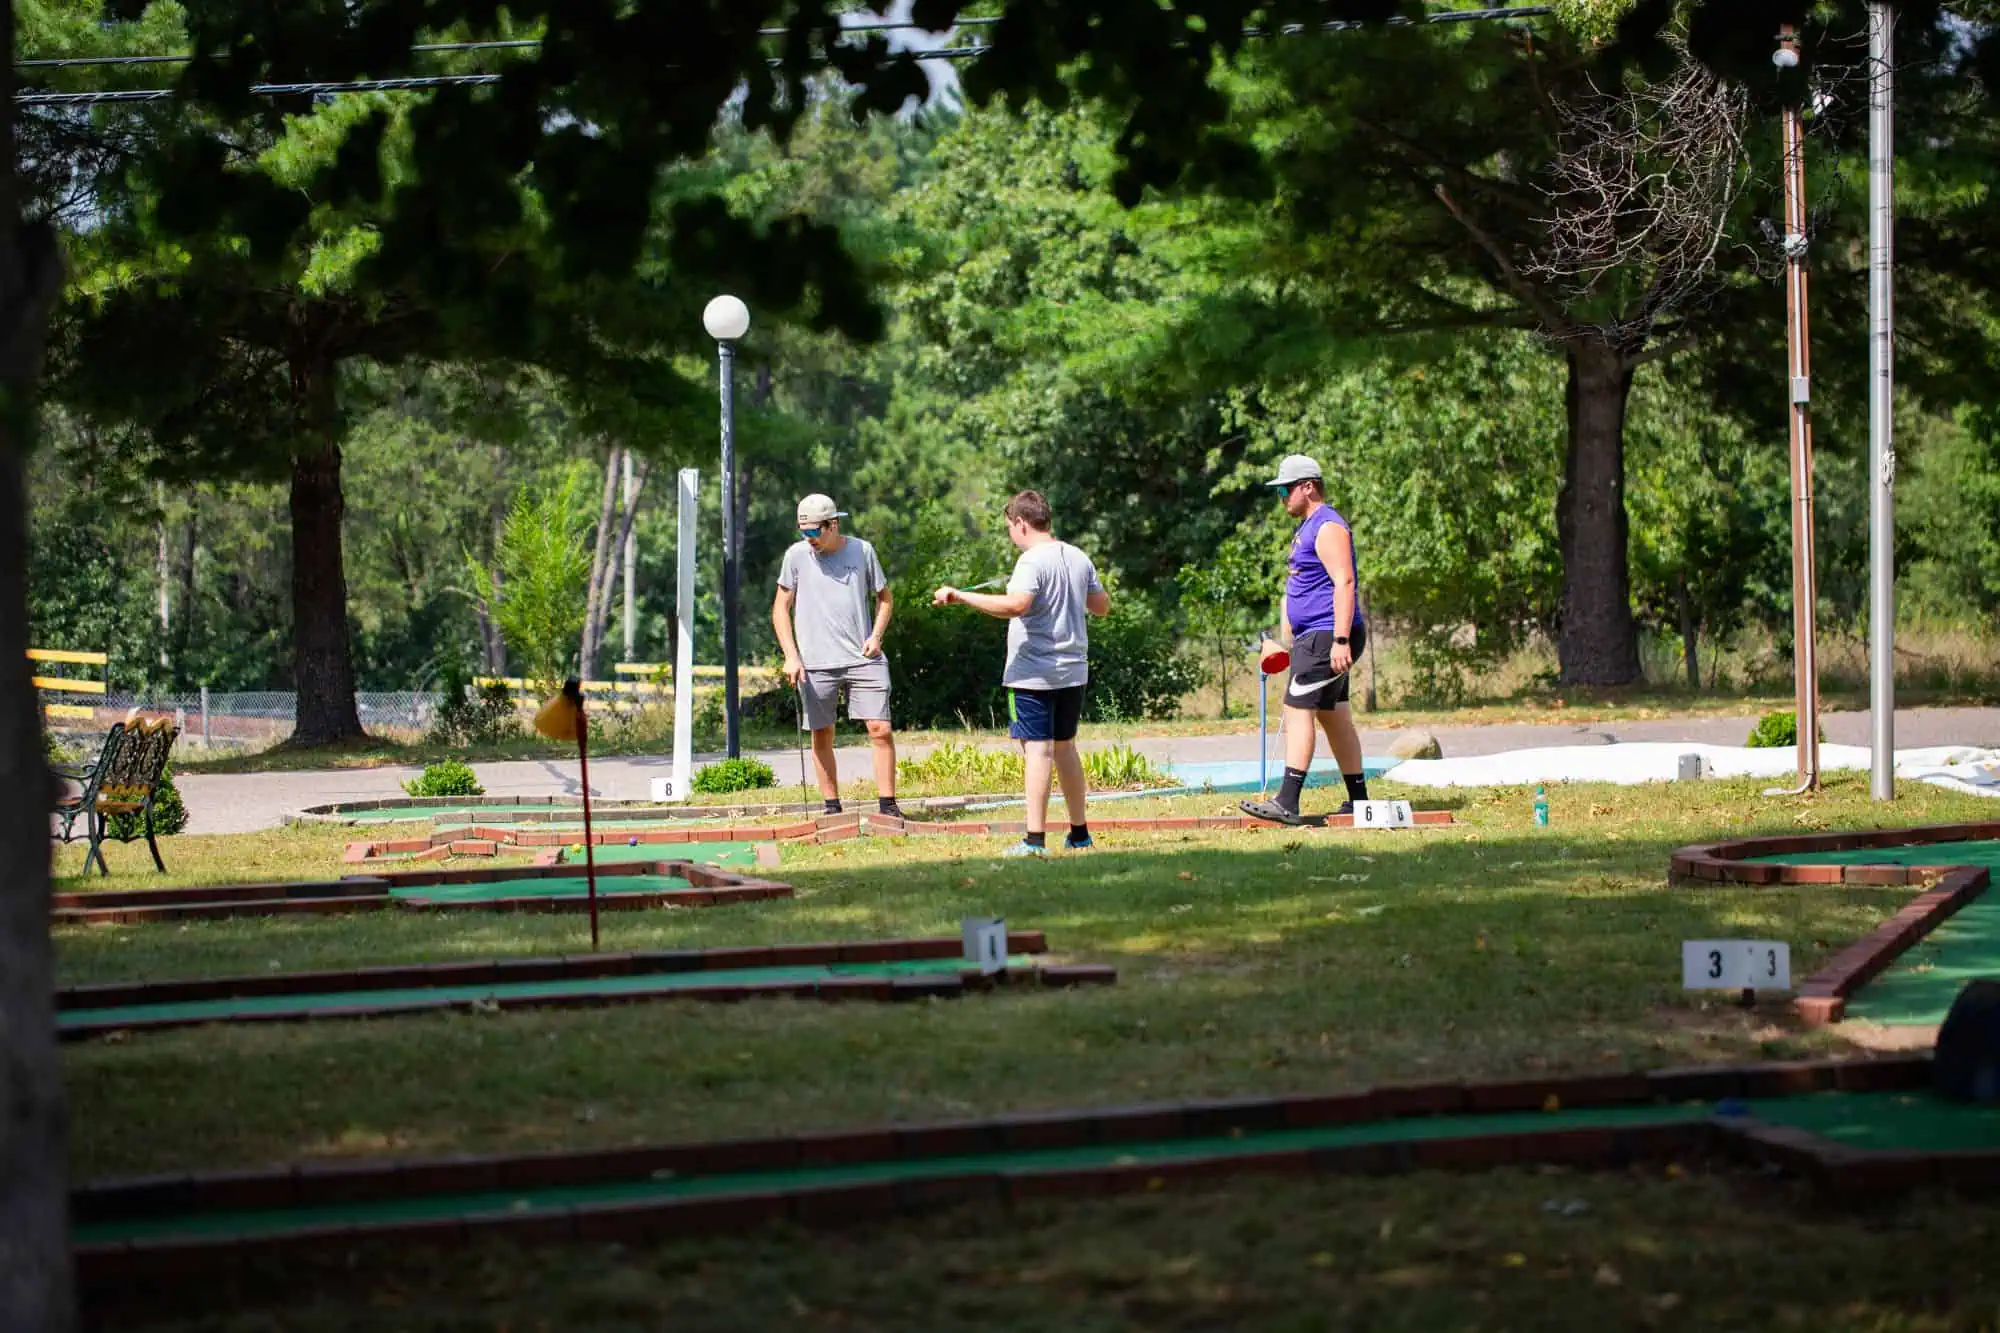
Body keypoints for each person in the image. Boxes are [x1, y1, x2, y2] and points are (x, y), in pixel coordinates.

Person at [933, 490, 1110, 857]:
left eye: (1009, 528)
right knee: (1065, 748)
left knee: (1038, 752)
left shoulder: (1030, 561)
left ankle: (1034, 840)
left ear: (1021, 523)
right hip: (1072, 671)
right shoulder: (1077, 556)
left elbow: (1016, 605)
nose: (1011, 535)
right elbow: (1101, 606)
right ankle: (1079, 834)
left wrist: (961, 596)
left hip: (1033, 673)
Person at [1240, 454, 1372, 825]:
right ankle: (1360, 800)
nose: (1281, 498)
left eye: (1284, 490)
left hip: (1327, 635)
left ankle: (1287, 801)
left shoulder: (1328, 526)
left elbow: (1344, 582)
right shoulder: (1308, 527)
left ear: (1307, 487)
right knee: (1334, 716)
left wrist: (1341, 640)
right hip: (1316, 636)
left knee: (1298, 711)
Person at [773, 493, 904, 820]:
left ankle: (888, 805)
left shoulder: (862, 551)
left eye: (815, 532)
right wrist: (792, 655)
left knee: (880, 728)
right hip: (816, 663)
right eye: (804, 532)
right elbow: (780, 610)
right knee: (823, 732)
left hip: (863, 657)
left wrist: (876, 636)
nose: (809, 539)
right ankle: (832, 807)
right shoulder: (796, 557)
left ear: (833, 525)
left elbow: (884, 598)